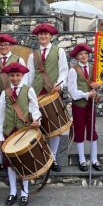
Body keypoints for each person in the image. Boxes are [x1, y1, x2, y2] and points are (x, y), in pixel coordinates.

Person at [0, 62, 42, 206]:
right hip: (9, 132)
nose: (15, 78)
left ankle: (24, 192)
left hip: (24, 131)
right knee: (9, 163)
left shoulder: (28, 90)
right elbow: (0, 115)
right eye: (12, 75)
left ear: (22, 76)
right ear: (8, 77)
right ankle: (13, 191)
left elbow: (35, 108)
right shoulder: (5, 93)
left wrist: (36, 119)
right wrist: (0, 134)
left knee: (24, 161)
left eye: (17, 75)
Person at [27, 23, 68, 172]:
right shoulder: (33, 55)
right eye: (41, 34)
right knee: (39, 125)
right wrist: (28, 94)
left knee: (55, 127)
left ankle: (54, 158)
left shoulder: (59, 51)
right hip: (37, 94)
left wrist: (59, 84)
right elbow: (30, 76)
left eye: (46, 34)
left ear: (51, 36)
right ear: (38, 37)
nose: (43, 36)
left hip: (53, 93)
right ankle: (42, 156)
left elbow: (64, 71)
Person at [0, 33, 26, 173]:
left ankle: (14, 156)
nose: (3, 47)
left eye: (6, 45)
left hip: (15, 101)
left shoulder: (19, 59)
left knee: (12, 129)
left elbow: (24, 82)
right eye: (1, 45)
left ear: (11, 46)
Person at [67, 43, 102, 172]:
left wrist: (98, 86)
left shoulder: (94, 68)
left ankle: (94, 159)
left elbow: (99, 83)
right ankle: (82, 160)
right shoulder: (73, 70)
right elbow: (72, 91)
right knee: (80, 130)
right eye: (80, 54)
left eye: (85, 54)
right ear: (77, 56)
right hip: (79, 105)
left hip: (91, 104)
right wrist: (87, 94)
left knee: (92, 130)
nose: (83, 56)